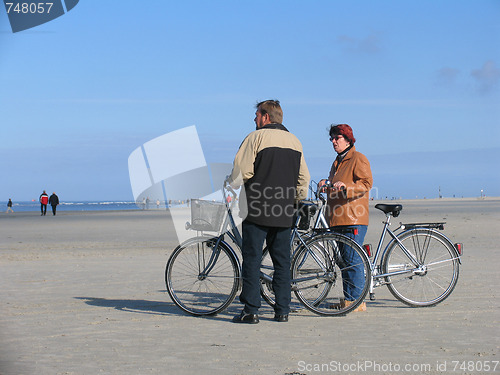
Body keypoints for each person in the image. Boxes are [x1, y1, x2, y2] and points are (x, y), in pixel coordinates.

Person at [229, 100, 310, 324]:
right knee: (282, 261)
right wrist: (295, 199)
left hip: (257, 207)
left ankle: (251, 310)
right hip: (284, 210)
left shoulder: (255, 138)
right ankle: (282, 310)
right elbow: (304, 179)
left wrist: (231, 184)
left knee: (252, 258)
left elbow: (241, 171)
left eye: (256, 115)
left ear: (266, 117)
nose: (254, 119)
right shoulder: (295, 141)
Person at [318, 124, 373, 312]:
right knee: (343, 262)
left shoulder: (358, 158)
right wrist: (326, 185)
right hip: (337, 217)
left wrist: (345, 188)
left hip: (353, 217)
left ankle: (357, 302)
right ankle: (349, 300)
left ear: (348, 139)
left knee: (352, 260)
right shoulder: (337, 162)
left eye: (337, 138)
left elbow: (366, 184)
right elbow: (335, 185)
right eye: (332, 138)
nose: (333, 142)